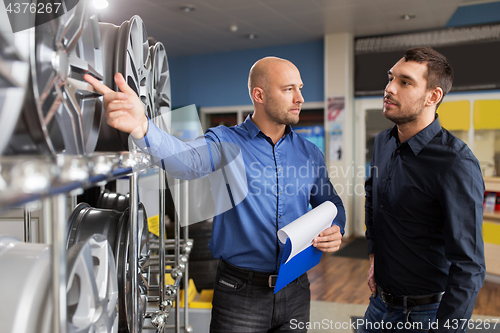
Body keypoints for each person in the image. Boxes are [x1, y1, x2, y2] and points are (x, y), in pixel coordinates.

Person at [85, 56, 346, 332]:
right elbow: (186, 160)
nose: (300, 98)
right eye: (289, 89)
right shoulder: (225, 142)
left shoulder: (309, 153)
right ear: (259, 95)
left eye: (300, 88)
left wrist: (336, 226)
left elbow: (331, 203)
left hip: (296, 290)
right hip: (239, 294)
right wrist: (143, 128)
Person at [361, 47, 485, 333]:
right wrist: (373, 255)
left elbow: (469, 266)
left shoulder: (456, 163)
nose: (389, 88)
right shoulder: (383, 143)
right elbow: (373, 197)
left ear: (433, 96)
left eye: (405, 82)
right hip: (378, 306)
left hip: (425, 315)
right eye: (390, 78)